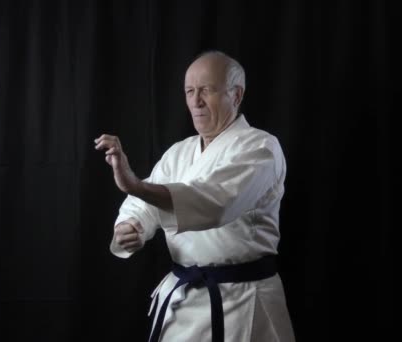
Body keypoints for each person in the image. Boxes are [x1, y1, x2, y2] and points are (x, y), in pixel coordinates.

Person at [94, 51, 295, 342]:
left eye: (207, 90)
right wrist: (131, 226)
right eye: (190, 91)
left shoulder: (261, 147)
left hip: (243, 302)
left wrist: (134, 185)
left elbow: (215, 202)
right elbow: (145, 205)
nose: (196, 101)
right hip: (183, 301)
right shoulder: (180, 151)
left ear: (236, 95)